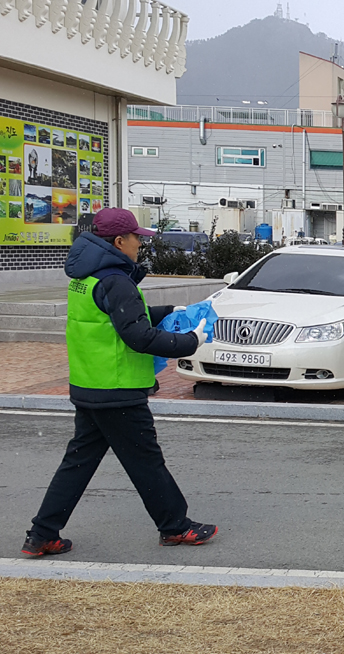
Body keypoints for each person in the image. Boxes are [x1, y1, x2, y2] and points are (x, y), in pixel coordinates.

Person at [22, 208, 215, 557]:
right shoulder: (116, 280)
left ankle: (42, 534)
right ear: (119, 241)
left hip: (90, 386)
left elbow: (112, 318)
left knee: (78, 463)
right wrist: (191, 341)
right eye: (136, 237)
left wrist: (169, 311)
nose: (140, 243)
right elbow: (138, 336)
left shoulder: (85, 278)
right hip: (118, 390)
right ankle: (175, 527)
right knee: (146, 462)